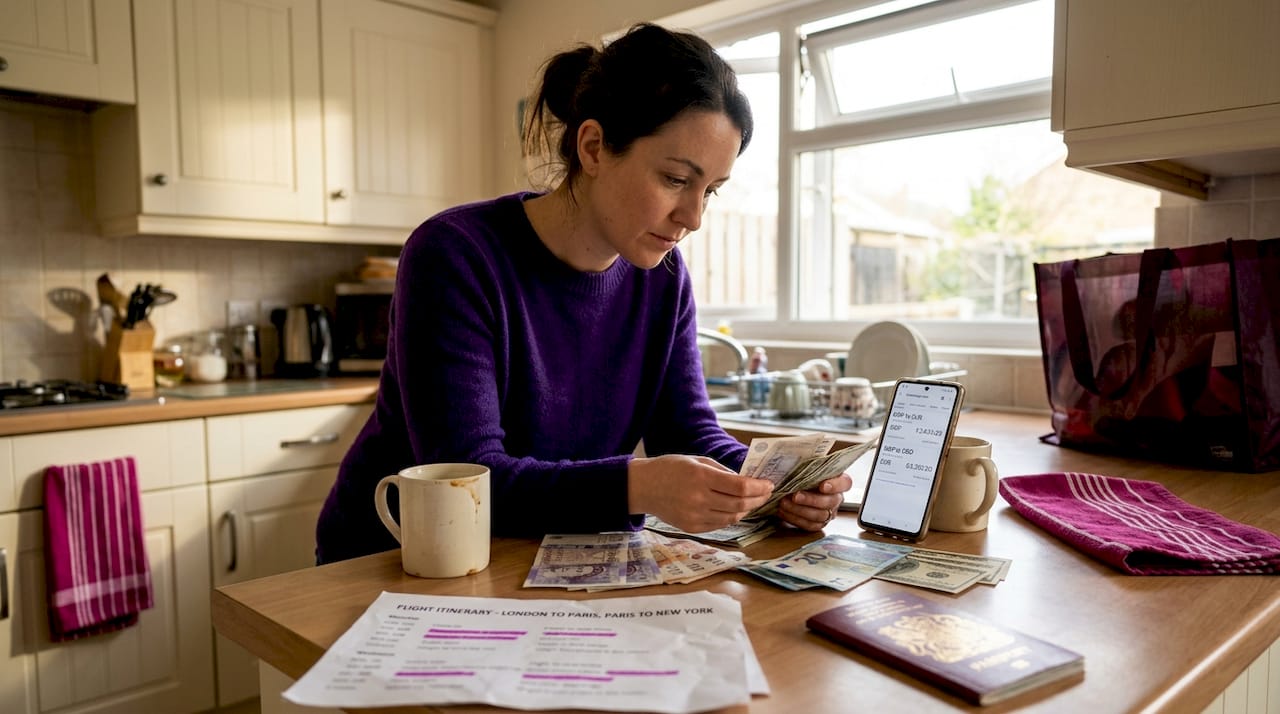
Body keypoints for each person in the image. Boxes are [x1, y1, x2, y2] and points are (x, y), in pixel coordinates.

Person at [315, 22, 852, 565]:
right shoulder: (455, 254)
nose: (692, 217)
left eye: (709, 191)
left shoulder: (663, 276)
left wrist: (776, 484)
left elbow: (688, 432)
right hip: (396, 558)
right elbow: (468, 478)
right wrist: (636, 486)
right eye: (674, 179)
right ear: (593, 147)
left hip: (539, 556)